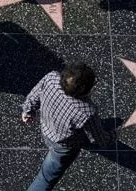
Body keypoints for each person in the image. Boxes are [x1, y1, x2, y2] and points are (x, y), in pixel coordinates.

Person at [22, 62, 116, 190]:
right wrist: (113, 135)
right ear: (84, 89)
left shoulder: (51, 78)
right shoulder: (87, 111)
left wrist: (28, 111)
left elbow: (34, 95)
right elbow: (99, 139)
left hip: (46, 129)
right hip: (63, 146)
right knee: (46, 178)